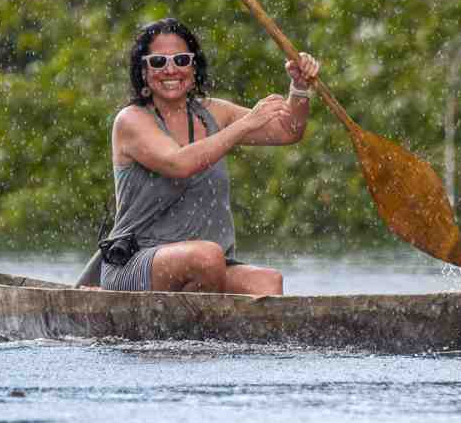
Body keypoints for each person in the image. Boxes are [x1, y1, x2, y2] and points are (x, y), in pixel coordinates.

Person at [96, 17, 319, 295]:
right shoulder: (131, 120)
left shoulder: (213, 112)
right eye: (157, 62)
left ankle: (215, 333)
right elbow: (179, 164)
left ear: (193, 65)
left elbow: (288, 131)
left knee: (267, 281)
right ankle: (194, 334)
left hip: (208, 264)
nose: (170, 70)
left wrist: (299, 88)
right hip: (133, 262)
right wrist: (246, 123)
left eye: (180, 60)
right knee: (206, 257)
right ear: (143, 71)